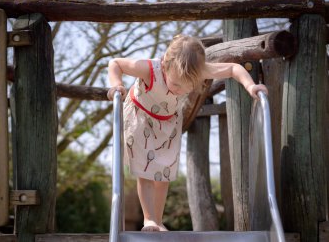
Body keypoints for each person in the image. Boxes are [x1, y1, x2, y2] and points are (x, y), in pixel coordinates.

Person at [107, 34, 268, 232]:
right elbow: (116, 63)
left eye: (187, 87)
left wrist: (250, 86)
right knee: (146, 172)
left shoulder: (200, 69)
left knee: (164, 174)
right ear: (165, 64)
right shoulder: (150, 68)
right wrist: (116, 84)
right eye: (175, 84)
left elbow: (234, 68)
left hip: (167, 122)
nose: (179, 90)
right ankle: (148, 219)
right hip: (141, 117)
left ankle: (157, 221)